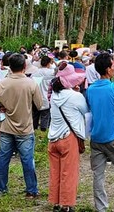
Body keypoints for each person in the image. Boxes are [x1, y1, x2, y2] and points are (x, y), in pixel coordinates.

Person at [0, 54, 43, 198]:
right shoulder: (31, 83)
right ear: (24, 66)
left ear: (9, 66)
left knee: (3, 159)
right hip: (25, 128)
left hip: (6, 127)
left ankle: (1, 189)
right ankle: (31, 190)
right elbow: (40, 104)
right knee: (27, 161)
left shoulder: (2, 83)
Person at [86, 53, 114, 212]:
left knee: (98, 177)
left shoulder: (90, 89)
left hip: (96, 139)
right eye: (113, 66)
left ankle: (101, 208)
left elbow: (92, 108)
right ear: (107, 69)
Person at [47, 63, 88, 212]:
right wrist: (76, 91)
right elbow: (85, 110)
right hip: (68, 138)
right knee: (68, 173)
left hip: (53, 138)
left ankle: (56, 203)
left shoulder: (54, 96)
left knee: (55, 172)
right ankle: (66, 205)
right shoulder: (75, 96)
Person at [33, 55, 55, 131]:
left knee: (35, 115)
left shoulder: (35, 72)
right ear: (49, 63)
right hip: (47, 97)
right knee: (45, 116)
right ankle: (43, 131)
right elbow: (57, 69)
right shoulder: (51, 73)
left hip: (36, 97)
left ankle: (34, 130)